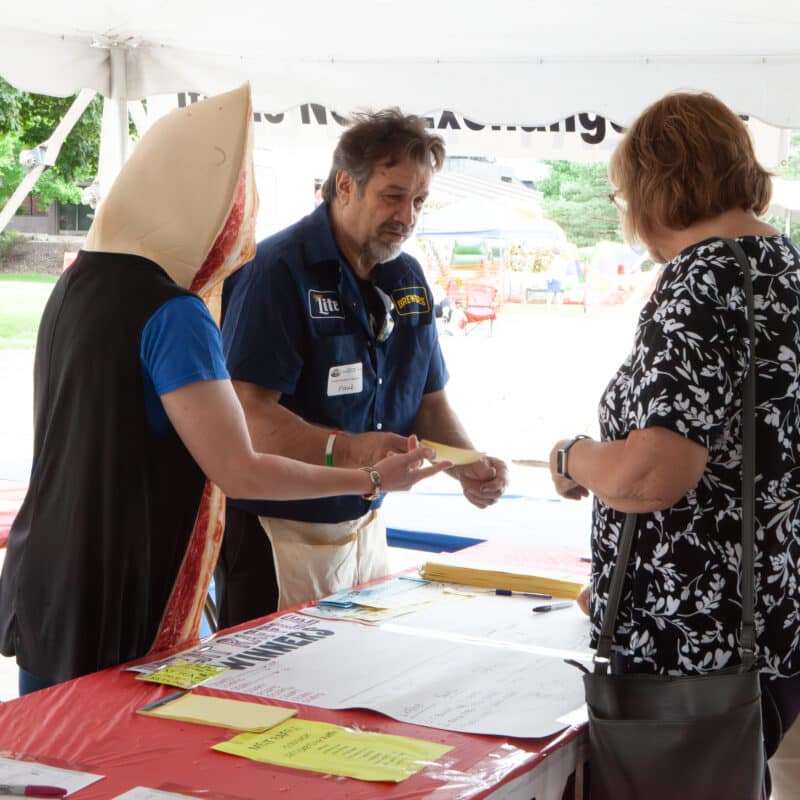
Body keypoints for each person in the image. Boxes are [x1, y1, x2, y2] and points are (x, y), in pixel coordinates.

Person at [0, 86, 447, 696]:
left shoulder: (75, 283)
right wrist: (366, 477)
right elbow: (241, 470)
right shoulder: (175, 313)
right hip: (126, 590)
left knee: (53, 772)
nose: (244, 231)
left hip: (50, 575)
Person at [548, 91, 800, 794]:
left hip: (694, 642)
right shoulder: (785, 267)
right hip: (772, 613)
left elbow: (651, 475)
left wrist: (574, 458)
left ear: (659, 185)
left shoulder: (703, 280)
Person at [216, 108, 509, 624]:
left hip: (365, 525)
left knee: (351, 679)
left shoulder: (408, 276)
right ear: (345, 186)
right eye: (393, 197)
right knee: (274, 690)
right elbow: (247, 417)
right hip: (275, 532)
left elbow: (427, 399)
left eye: (419, 201)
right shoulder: (276, 271)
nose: (408, 217)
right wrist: (350, 452)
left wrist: (467, 464)